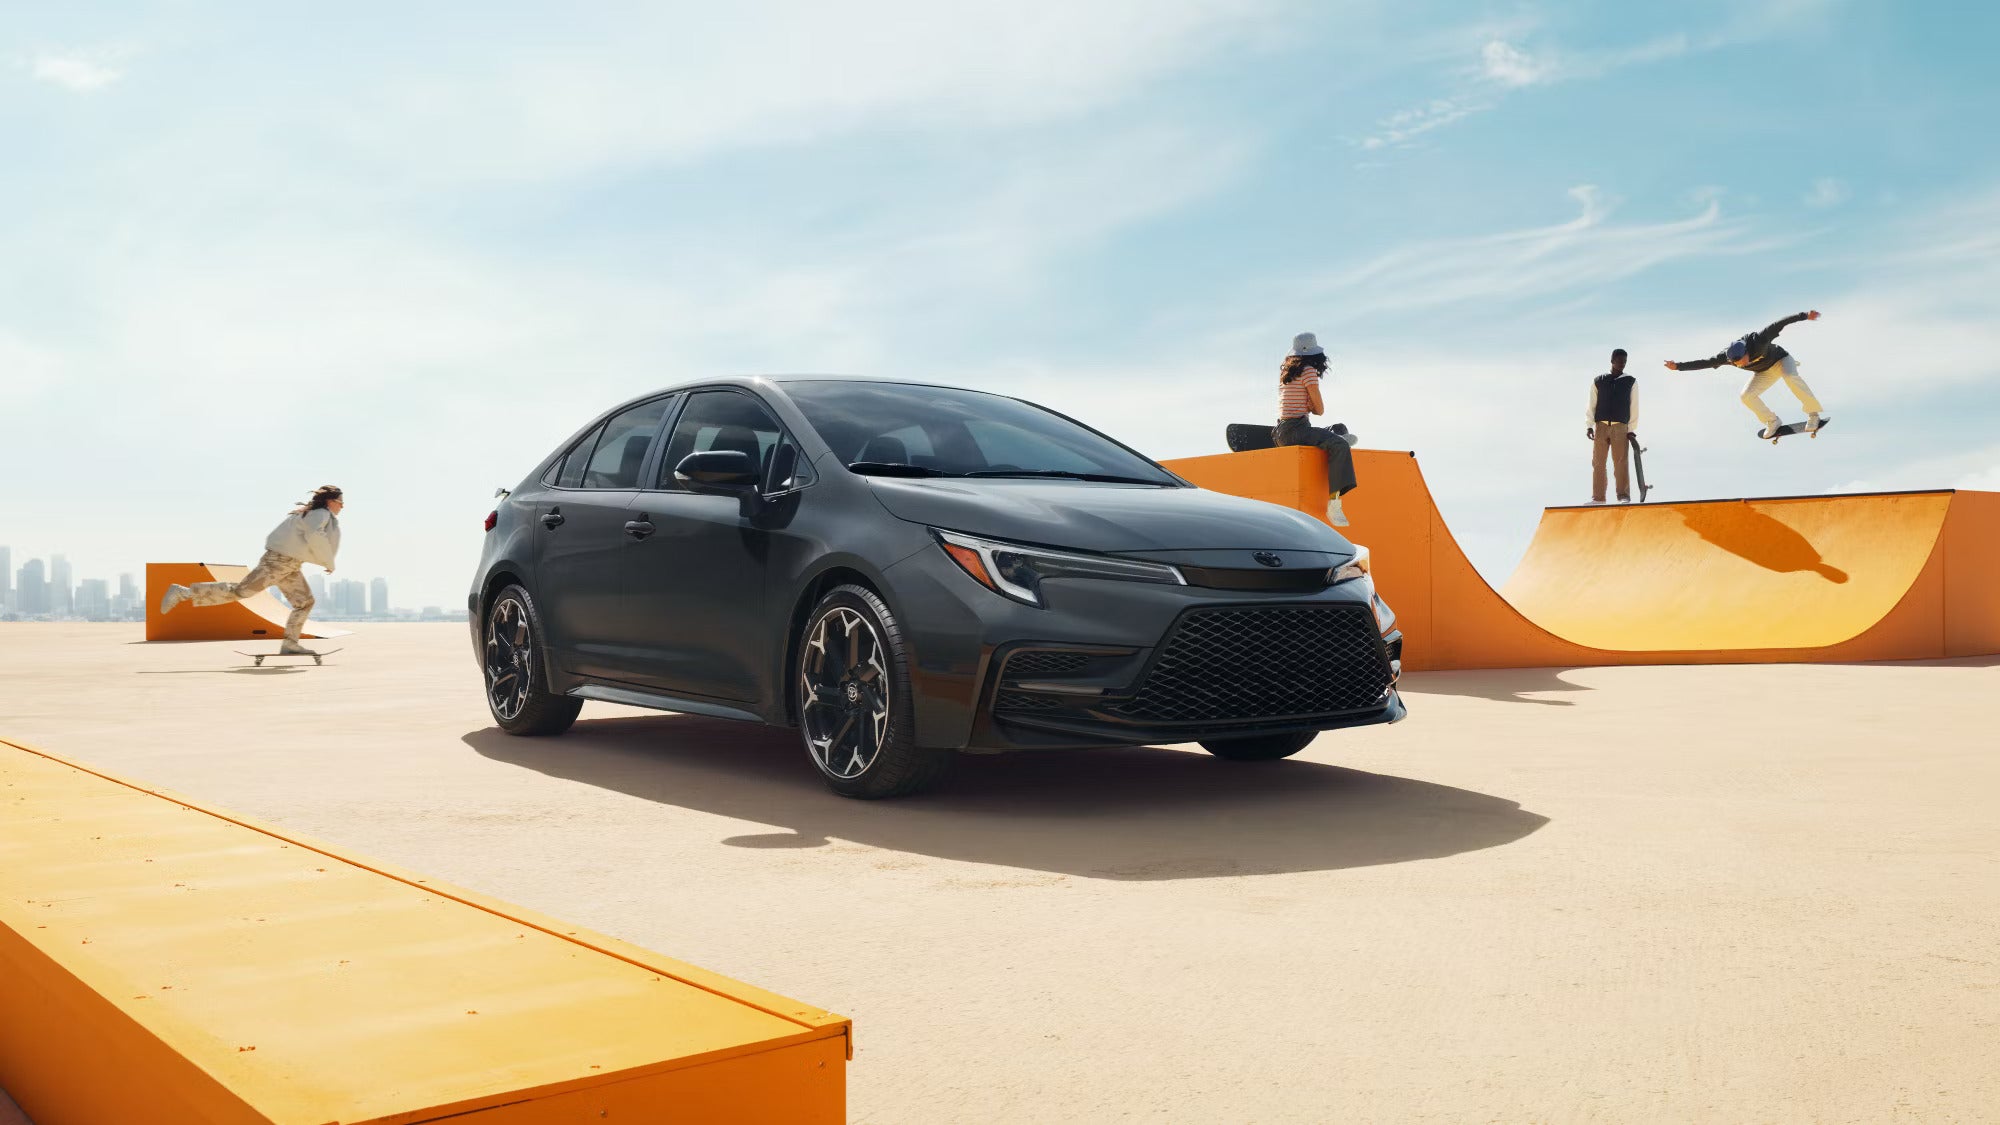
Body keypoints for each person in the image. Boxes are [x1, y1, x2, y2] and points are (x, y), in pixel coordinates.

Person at [159, 486, 343, 654]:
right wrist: (328, 562)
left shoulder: (310, 513)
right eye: (340, 502)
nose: (342, 507)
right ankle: (183, 592)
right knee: (241, 591)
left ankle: (290, 644)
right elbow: (314, 535)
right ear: (330, 501)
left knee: (305, 602)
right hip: (279, 562)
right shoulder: (321, 513)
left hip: (289, 564)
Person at [1665, 309, 1826, 439]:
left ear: (1746, 352)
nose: (1739, 365)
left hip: (1781, 360)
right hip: (1763, 372)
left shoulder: (1759, 340)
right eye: (1736, 363)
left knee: (1790, 377)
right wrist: (1678, 366)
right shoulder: (1726, 358)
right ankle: (1772, 421)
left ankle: (1813, 413)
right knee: (1746, 396)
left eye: (1741, 361)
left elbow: (1780, 323)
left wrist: (1805, 316)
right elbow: (1705, 363)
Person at [1272, 332, 1359, 526]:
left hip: (1282, 430)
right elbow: (1319, 409)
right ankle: (1334, 504)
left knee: (1338, 429)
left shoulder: (1288, 371)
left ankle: (1336, 439)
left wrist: (1307, 405)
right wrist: (1311, 405)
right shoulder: (1309, 371)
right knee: (1339, 444)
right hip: (1296, 429)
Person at [1587, 349, 1639, 504]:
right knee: (1598, 463)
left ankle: (1623, 496)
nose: (1622, 364)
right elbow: (1591, 404)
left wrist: (1631, 430)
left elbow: (1634, 406)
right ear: (1612, 360)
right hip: (1601, 426)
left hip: (1620, 428)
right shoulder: (1599, 380)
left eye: (1624, 361)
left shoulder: (1631, 381)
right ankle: (1598, 498)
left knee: (1621, 463)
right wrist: (1589, 425)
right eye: (1619, 360)